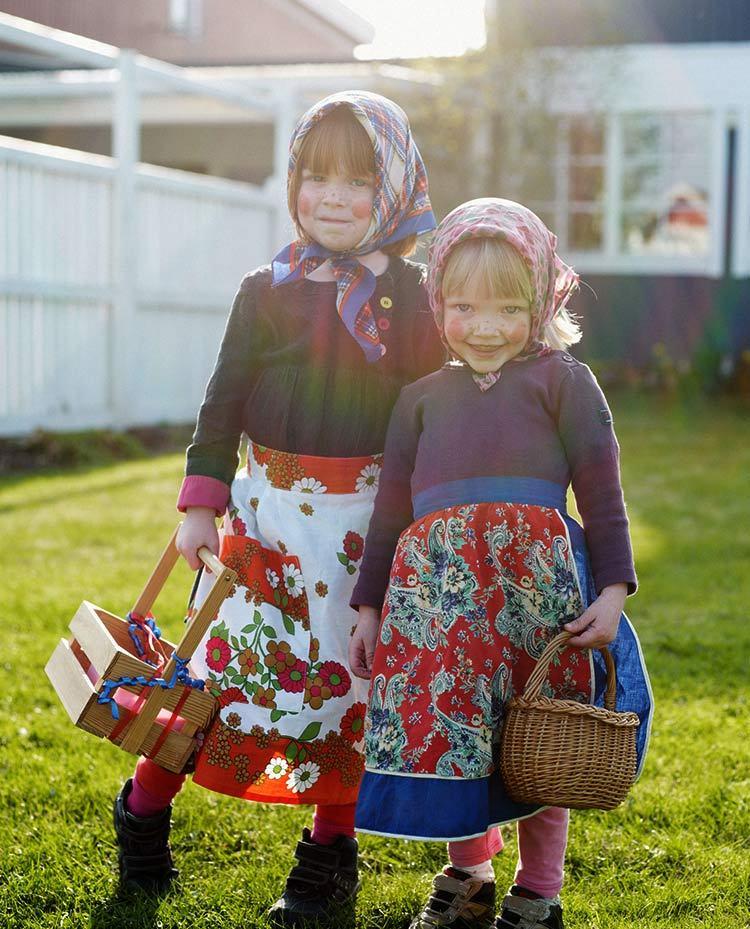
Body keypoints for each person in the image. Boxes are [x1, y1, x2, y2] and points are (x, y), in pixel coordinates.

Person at [112, 91, 444, 927]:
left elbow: (431, 415)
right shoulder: (266, 288)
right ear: (293, 182)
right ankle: (143, 810)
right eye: (316, 177)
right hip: (264, 526)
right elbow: (221, 401)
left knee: (348, 690)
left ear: (395, 189)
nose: (333, 197)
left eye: (359, 181)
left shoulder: (415, 297)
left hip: (362, 531)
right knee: (216, 681)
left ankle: (327, 857)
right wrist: (201, 504)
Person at [349, 198, 653, 929]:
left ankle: (539, 890)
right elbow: (389, 513)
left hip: (535, 596)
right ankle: (470, 874)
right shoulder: (419, 401)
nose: (485, 327)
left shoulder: (564, 382)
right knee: (456, 733)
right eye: (465, 307)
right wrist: (369, 607)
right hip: (439, 604)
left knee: (534, 735)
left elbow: (602, 494)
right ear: (438, 305)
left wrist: (613, 590)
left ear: (541, 303)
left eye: (509, 310)